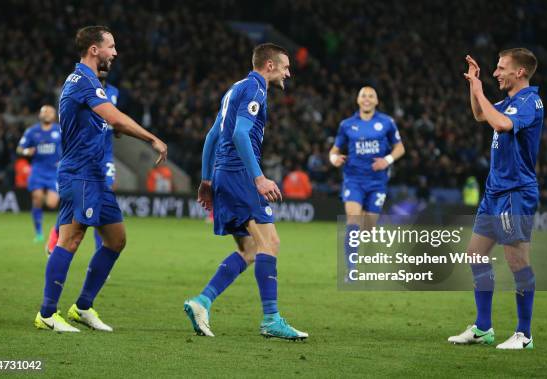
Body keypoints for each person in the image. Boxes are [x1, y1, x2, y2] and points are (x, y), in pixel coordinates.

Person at [34, 25, 167, 332]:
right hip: (80, 174)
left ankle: (82, 307)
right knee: (72, 239)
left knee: (116, 239)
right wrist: (151, 139)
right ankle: (47, 313)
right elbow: (115, 117)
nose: (115, 52)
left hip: (92, 174)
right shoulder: (82, 80)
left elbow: (104, 122)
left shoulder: (89, 81)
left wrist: (110, 128)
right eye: (111, 46)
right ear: (94, 50)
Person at [184, 43, 308, 340]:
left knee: (250, 249)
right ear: (269, 65)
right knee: (271, 242)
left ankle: (202, 302)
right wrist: (259, 178)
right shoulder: (256, 89)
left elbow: (213, 134)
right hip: (240, 174)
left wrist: (206, 180)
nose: (289, 73)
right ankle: (271, 319)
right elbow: (239, 133)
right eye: (285, 67)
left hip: (223, 173)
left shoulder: (234, 89)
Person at [448, 49, 543, 350]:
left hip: (516, 191)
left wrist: (479, 90)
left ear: (520, 73)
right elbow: (481, 115)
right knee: (475, 255)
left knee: (517, 262)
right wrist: (474, 87)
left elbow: (501, 124)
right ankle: (483, 328)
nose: (495, 73)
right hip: (495, 191)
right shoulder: (511, 102)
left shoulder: (530, 102)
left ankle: (524, 334)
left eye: (501, 68)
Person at [329, 87, 405, 279]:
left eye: (371, 96)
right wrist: (334, 159)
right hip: (353, 179)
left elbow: (400, 148)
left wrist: (386, 161)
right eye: (363, 95)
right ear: (357, 99)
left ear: (376, 101)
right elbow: (334, 150)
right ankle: (351, 269)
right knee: (353, 219)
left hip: (377, 182)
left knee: (368, 227)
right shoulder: (347, 125)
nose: (367, 99)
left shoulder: (387, 122)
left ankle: (351, 238)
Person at [45, 71, 120, 254]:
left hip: (105, 155)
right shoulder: (82, 85)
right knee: (75, 202)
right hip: (83, 156)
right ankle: (56, 235)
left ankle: (99, 250)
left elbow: (113, 118)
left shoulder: (114, 92)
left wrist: (117, 128)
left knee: (102, 198)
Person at [17, 105, 62, 242]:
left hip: (54, 171)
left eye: (50, 112)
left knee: (52, 203)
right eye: (44, 111)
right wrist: (26, 152)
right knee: (37, 198)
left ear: (54, 116)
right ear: (40, 115)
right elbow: (20, 148)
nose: (47, 113)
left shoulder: (60, 130)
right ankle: (39, 233)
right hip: (38, 170)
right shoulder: (32, 131)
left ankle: (54, 232)